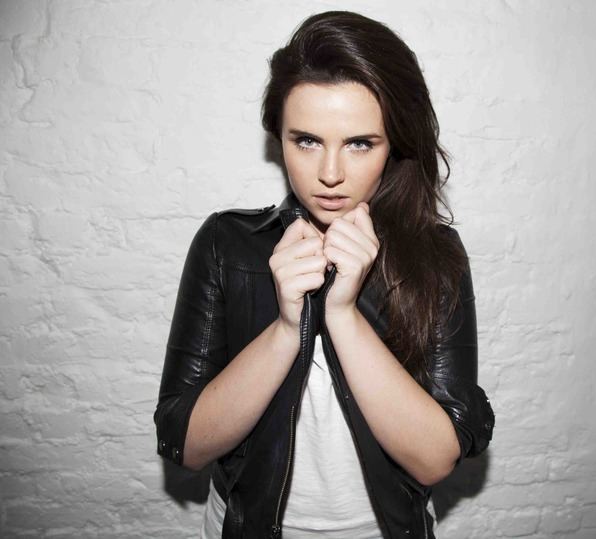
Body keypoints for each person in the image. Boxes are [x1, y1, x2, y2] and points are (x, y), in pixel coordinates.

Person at [154, 10, 494, 539]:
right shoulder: (228, 245)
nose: (330, 173)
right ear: (279, 138)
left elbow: (435, 460)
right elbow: (186, 445)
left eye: (360, 143)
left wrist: (340, 312)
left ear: (395, 145)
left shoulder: (435, 254)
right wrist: (288, 328)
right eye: (307, 141)